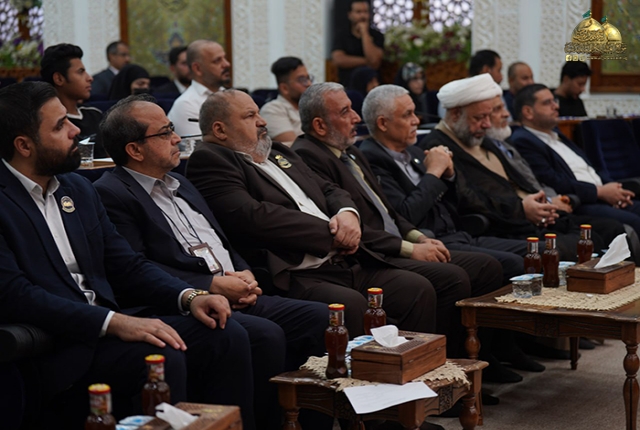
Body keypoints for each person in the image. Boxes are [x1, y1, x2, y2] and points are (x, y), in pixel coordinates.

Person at [0, 82, 255, 429]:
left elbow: (126, 264)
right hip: (56, 344)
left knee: (224, 334)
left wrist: (189, 296)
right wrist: (113, 322)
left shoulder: (76, 188)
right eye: (60, 125)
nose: (76, 130)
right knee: (160, 357)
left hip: (106, 326)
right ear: (24, 145)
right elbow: (17, 295)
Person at [93, 94, 326, 428]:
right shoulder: (112, 193)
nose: (177, 138)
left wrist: (243, 271)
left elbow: (221, 240)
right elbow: (136, 267)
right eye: (165, 133)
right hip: (187, 300)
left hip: (233, 287)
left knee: (318, 318)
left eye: (172, 129)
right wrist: (209, 286)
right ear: (135, 150)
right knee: (264, 334)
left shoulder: (181, 182)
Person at [186, 89, 436, 337]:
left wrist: (347, 213)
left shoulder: (278, 152)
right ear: (220, 130)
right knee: (350, 305)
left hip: (343, 262)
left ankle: (412, 360)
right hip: (297, 272)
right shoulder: (210, 160)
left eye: (259, 114)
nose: (262, 121)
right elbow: (254, 216)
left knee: (415, 288)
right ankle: (367, 364)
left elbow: (329, 188)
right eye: (250, 116)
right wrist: (333, 235)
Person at [292, 82, 503, 358]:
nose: (356, 118)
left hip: (396, 241)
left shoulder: (350, 151)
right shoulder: (308, 156)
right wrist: (410, 249)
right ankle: (438, 362)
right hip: (370, 253)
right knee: (447, 279)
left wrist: (418, 237)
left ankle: (479, 358)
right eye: (345, 112)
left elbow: (389, 211)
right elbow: (352, 226)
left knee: (486, 266)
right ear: (320, 126)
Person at [418, 74, 625, 260]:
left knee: (606, 231)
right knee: (574, 244)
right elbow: (468, 198)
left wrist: (542, 203)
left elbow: (518, 181)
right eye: (479, 118)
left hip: (530, 218)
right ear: (455, 114)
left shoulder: (480, 139)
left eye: (488, 116)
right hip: (500, 227)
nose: (487, 125)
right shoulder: (438, 148)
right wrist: (522, 209)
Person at [359, 84, 527, 282]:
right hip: (429, 242)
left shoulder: (413, 151)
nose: (416, 120)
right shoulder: (371, 159)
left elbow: (456, 205)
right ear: (382, 123)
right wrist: (434, 172)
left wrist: (449, 176)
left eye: (414, 112)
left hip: (459, 234)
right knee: (513, 263)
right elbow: (404, 215)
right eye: (407, 114)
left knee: (538, 249)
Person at [511, 83, 640, 237]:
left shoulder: (556, 134)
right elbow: (554, 181)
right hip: (580, 202)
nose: (556, 106)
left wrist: (614, 190)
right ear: (528, 112)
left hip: (602, 194)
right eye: (547, 103)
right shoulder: (523, 140)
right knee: (634, 222)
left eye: (554, 101)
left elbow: (590, 167)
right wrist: (600, 192)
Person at [40, 43, 107, 157]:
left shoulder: (95, 114)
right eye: (80, 72)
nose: (90, 78)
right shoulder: (50, 123)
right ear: (59, 79)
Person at [168, 40, 231, 138]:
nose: (226, 64)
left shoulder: (230, 96)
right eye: (217, 61)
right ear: (197, 69)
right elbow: (200, 145)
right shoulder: (186, 104)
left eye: (224, 58)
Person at [259, 56, 313, 145]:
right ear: (284, 88)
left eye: (308, 78)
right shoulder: (272, 110)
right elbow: (297, 147)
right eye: (302, 79)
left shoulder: (311, 107)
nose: (309, 84)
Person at [331, 0, 384, 86]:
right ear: (350, 15)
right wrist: (367, 61)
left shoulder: (377, 36)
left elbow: (375, 61)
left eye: (365, 12)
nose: (363, 16)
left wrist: (364, 34)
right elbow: (338, 60)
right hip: (348, 84)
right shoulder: (342, 35)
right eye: (358, 12)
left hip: (372, 85)